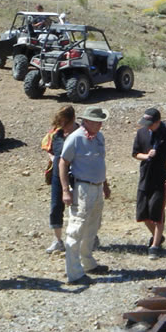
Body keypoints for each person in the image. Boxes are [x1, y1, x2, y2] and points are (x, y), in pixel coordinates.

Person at [58, 105, 112, 284]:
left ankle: (87, 262)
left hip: (97, 187)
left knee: (92, 227)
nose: (100, 125)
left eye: (101, 122)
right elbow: (63, 163)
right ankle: (74, 273)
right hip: (82, 188)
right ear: (86, 121)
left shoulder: (99, 137)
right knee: (77, 228)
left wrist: (105, 184)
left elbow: (100, 161)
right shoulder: (75, 138)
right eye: (97, 122)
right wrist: (66, 190)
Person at [132, 107, 166, 255]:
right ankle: (158, 237)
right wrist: (146, 156)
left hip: (161, 179)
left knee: (157, 213)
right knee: (143, 214)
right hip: (144, 178)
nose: (147, 126)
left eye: (151, 124)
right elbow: (135, 154)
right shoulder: (141, 133)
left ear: (158, 122)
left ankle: (154, 247)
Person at [42, 105, 78, 254]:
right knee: (56, 206)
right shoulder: (57, 134)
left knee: (80, 208)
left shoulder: (82, 134)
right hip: (58, 175)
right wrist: (56, 159)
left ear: (72, 119)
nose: (63, 127)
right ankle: (57, 241)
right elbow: (51, 150)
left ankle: (86, 237)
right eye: (61, 123)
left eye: (65, 123)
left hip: (77, 175)